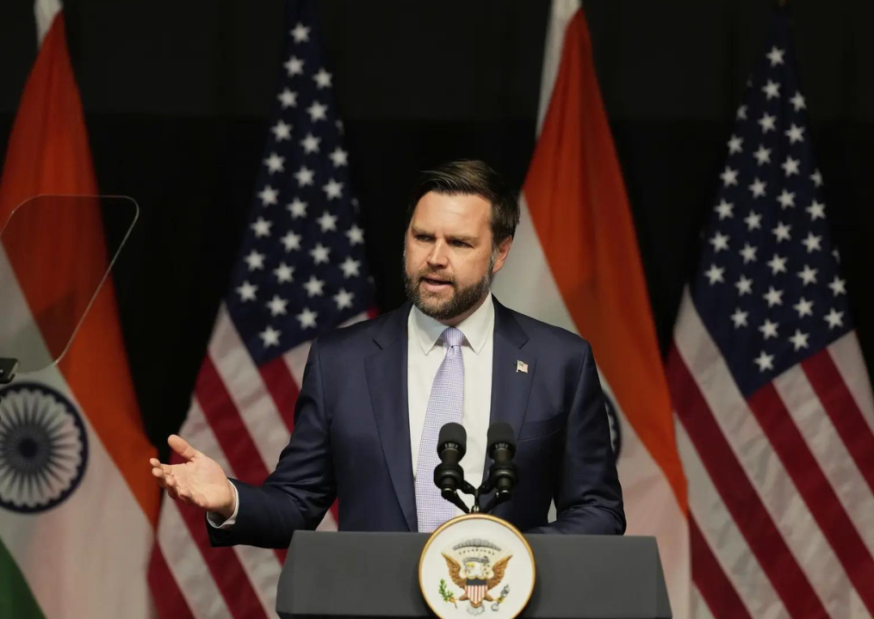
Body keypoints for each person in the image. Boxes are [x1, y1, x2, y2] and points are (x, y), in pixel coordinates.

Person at [150, 160, 625, 547]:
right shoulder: (341, 361)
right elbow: (296, 502)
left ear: (500, 253)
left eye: (459, 243)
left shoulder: (558, 362)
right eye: (423, 237)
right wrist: (230, 499)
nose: (435, 258)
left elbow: (598, 510)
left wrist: (510, 554)